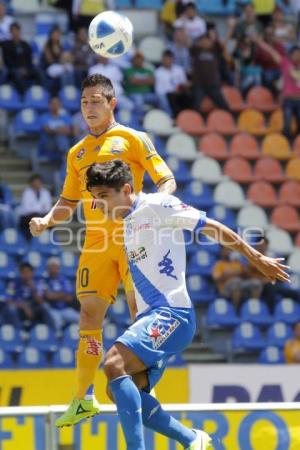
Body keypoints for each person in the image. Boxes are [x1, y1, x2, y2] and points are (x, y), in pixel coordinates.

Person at [85, 159, 290, 450]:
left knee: (113, 363)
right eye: (96, 198)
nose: (100, 205)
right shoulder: (127, 226)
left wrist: (257, 259)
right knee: (115, 389)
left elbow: (212, 227)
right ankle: (193, 440)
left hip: (172, 314)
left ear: (126, 188)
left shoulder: (157, 206)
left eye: (104, 197)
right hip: (152, 318)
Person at [29, 73, 176, 428]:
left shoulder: (133, 139)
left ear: (112, 104)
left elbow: (167, 180)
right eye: (84, 102)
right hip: (96, 243)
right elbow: (68, 200)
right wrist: (48, 219)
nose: (89, 108)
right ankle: (83, 399)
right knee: (88, 319)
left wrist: (155, 207)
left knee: (140, 318)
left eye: (96, 101)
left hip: (133, 240)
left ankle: (146, 389)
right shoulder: (76, 152)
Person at [1, 22, 43, 95]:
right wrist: (19, 69)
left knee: (38, 71)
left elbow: (29, 60)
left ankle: (39, 93)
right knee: (16, 74)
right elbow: (8, 61)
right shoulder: (6, 45)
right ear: (10, 32)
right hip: (13, 69)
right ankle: (23, 95)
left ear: (19, 31)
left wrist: (26, 69)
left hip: (26, 69)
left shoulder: (25, 45)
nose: (15, 33)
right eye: (13, 31)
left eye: (16, 30)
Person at [38, 257, 79, 331]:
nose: (54, 269)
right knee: (56, 323)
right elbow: (48, 296)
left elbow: (69, 297)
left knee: (80, 319)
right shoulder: (44, 280)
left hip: (65, 309)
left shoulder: (63, 280)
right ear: (48, 268)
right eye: (52, 267)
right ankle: (58, 339)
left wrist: (54, 295)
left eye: (56, 266)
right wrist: (63, 294)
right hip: (52, 309)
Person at [38, 96, 73, 162]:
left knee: (64, 138)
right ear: (49, 105)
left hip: (63, 141)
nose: (55, 105)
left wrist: (56, 130)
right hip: (49, 143)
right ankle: (67, 154)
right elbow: (48, 131)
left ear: (60, 105)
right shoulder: (44, 117)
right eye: (53, 104)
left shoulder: (65, 117)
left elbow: (69, 131)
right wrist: (60, 130)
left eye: (57, 103)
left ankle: (65, 155)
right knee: (60, 136)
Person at [19, 174, 52, 240]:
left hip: (41, 216)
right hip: (28, 217)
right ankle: (31, 240)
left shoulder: (45, 193)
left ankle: (47, 240)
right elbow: (27, 209)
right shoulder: (26, 193)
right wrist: (40, 208)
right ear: (31, 183)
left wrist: (37, 209)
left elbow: (48, 207)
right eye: (35, 182)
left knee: (51, 219)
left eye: (38, 182)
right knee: (34, 218)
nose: (37, 184)